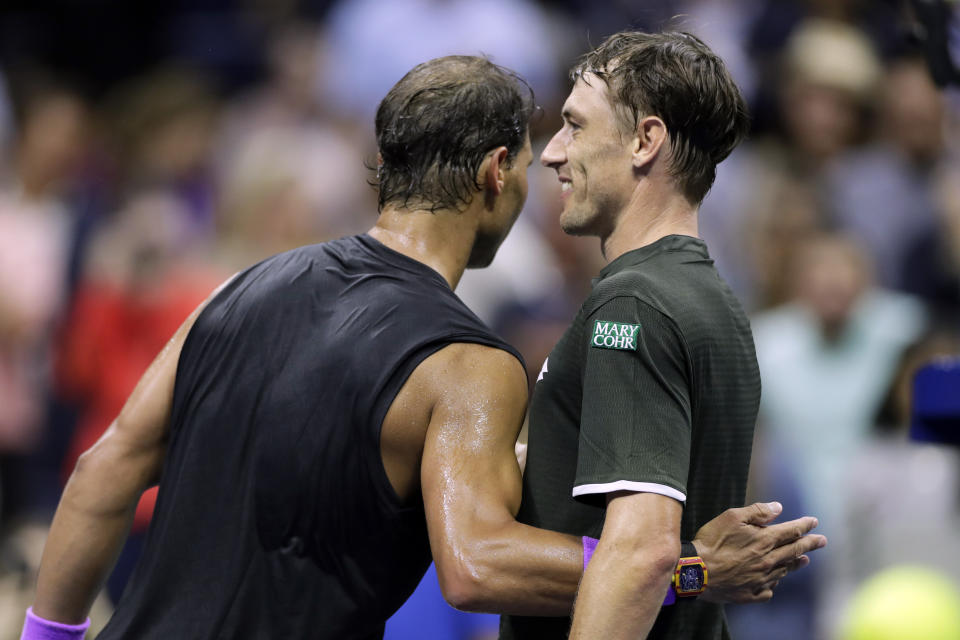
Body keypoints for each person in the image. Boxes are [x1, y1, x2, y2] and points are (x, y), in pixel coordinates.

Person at [22, 55, 824, 640]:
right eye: (536, 150)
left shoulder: (238, 290)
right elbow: (475, 565)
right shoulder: (468, 367)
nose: (551, 161)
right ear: (493, 171)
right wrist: (689, 569)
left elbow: (101, 473)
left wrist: (47, 638)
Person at [500, 31, 789, 640]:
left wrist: (684, 572)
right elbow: (678, 560)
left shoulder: (631, 305)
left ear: (644, 141)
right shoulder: (713, 300)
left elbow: (641, 555)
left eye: (574, 126)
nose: (550, 153)